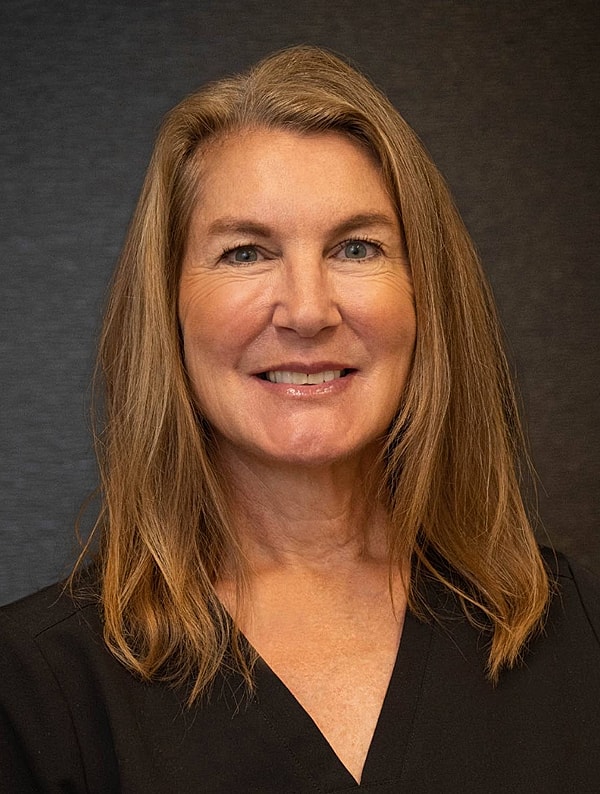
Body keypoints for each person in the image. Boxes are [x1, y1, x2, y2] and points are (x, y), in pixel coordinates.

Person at [0, 45, 598, 793]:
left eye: (357, 248)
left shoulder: (574, 630)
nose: (308, 311)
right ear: (169, 309)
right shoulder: (33, 693)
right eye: (246, 253)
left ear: (425, 297)